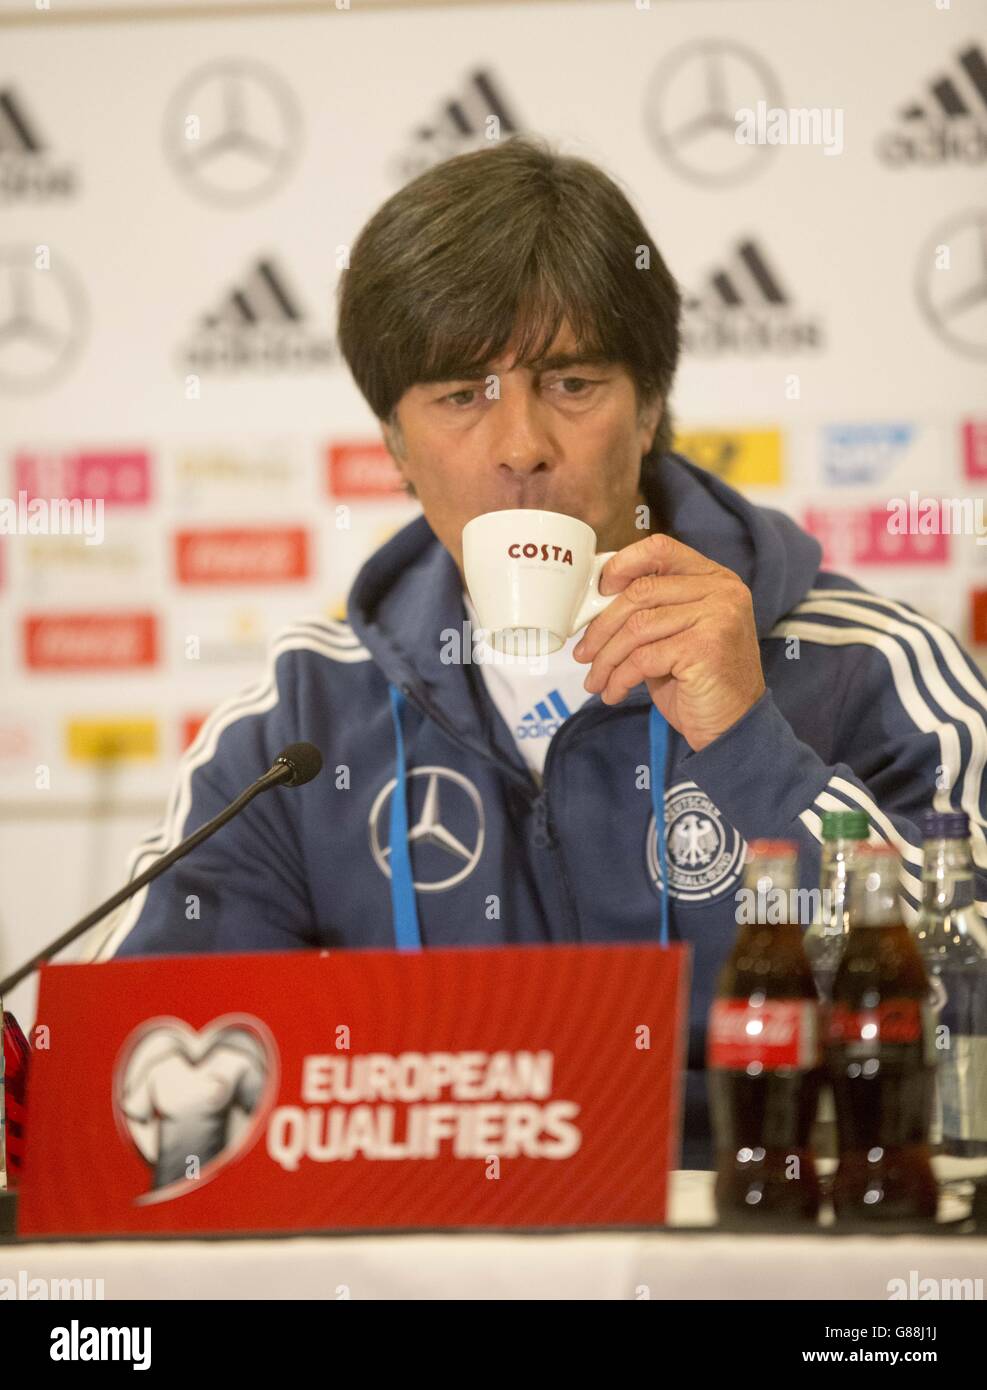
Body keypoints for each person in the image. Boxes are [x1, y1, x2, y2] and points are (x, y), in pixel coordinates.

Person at [93, 135, 987, 1168]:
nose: (520, 443)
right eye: (460, 393)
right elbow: (138, 1070)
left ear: (648, 409)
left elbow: (968, 1016)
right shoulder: (300, 723)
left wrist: (751, 743)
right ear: (393, 442)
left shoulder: (874, 668)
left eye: (570, 382)